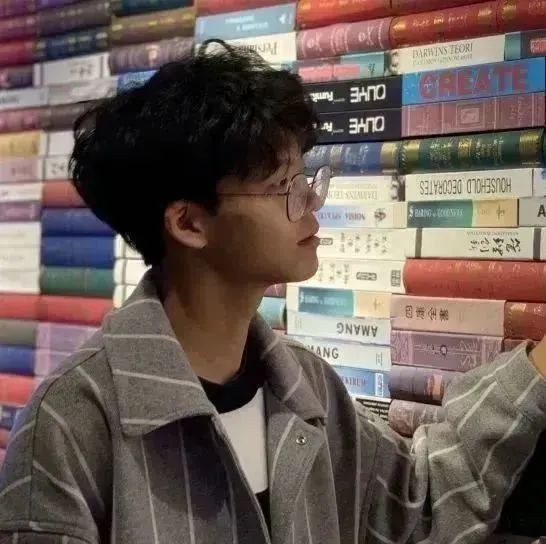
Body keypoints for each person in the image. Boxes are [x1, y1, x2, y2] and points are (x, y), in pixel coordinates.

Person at [0, 40, 545, 544]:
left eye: (305, 179)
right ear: (189, 223)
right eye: (282, 186)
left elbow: (417, 506)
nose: (310, 205)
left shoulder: (308, 387)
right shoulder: (71, 422)